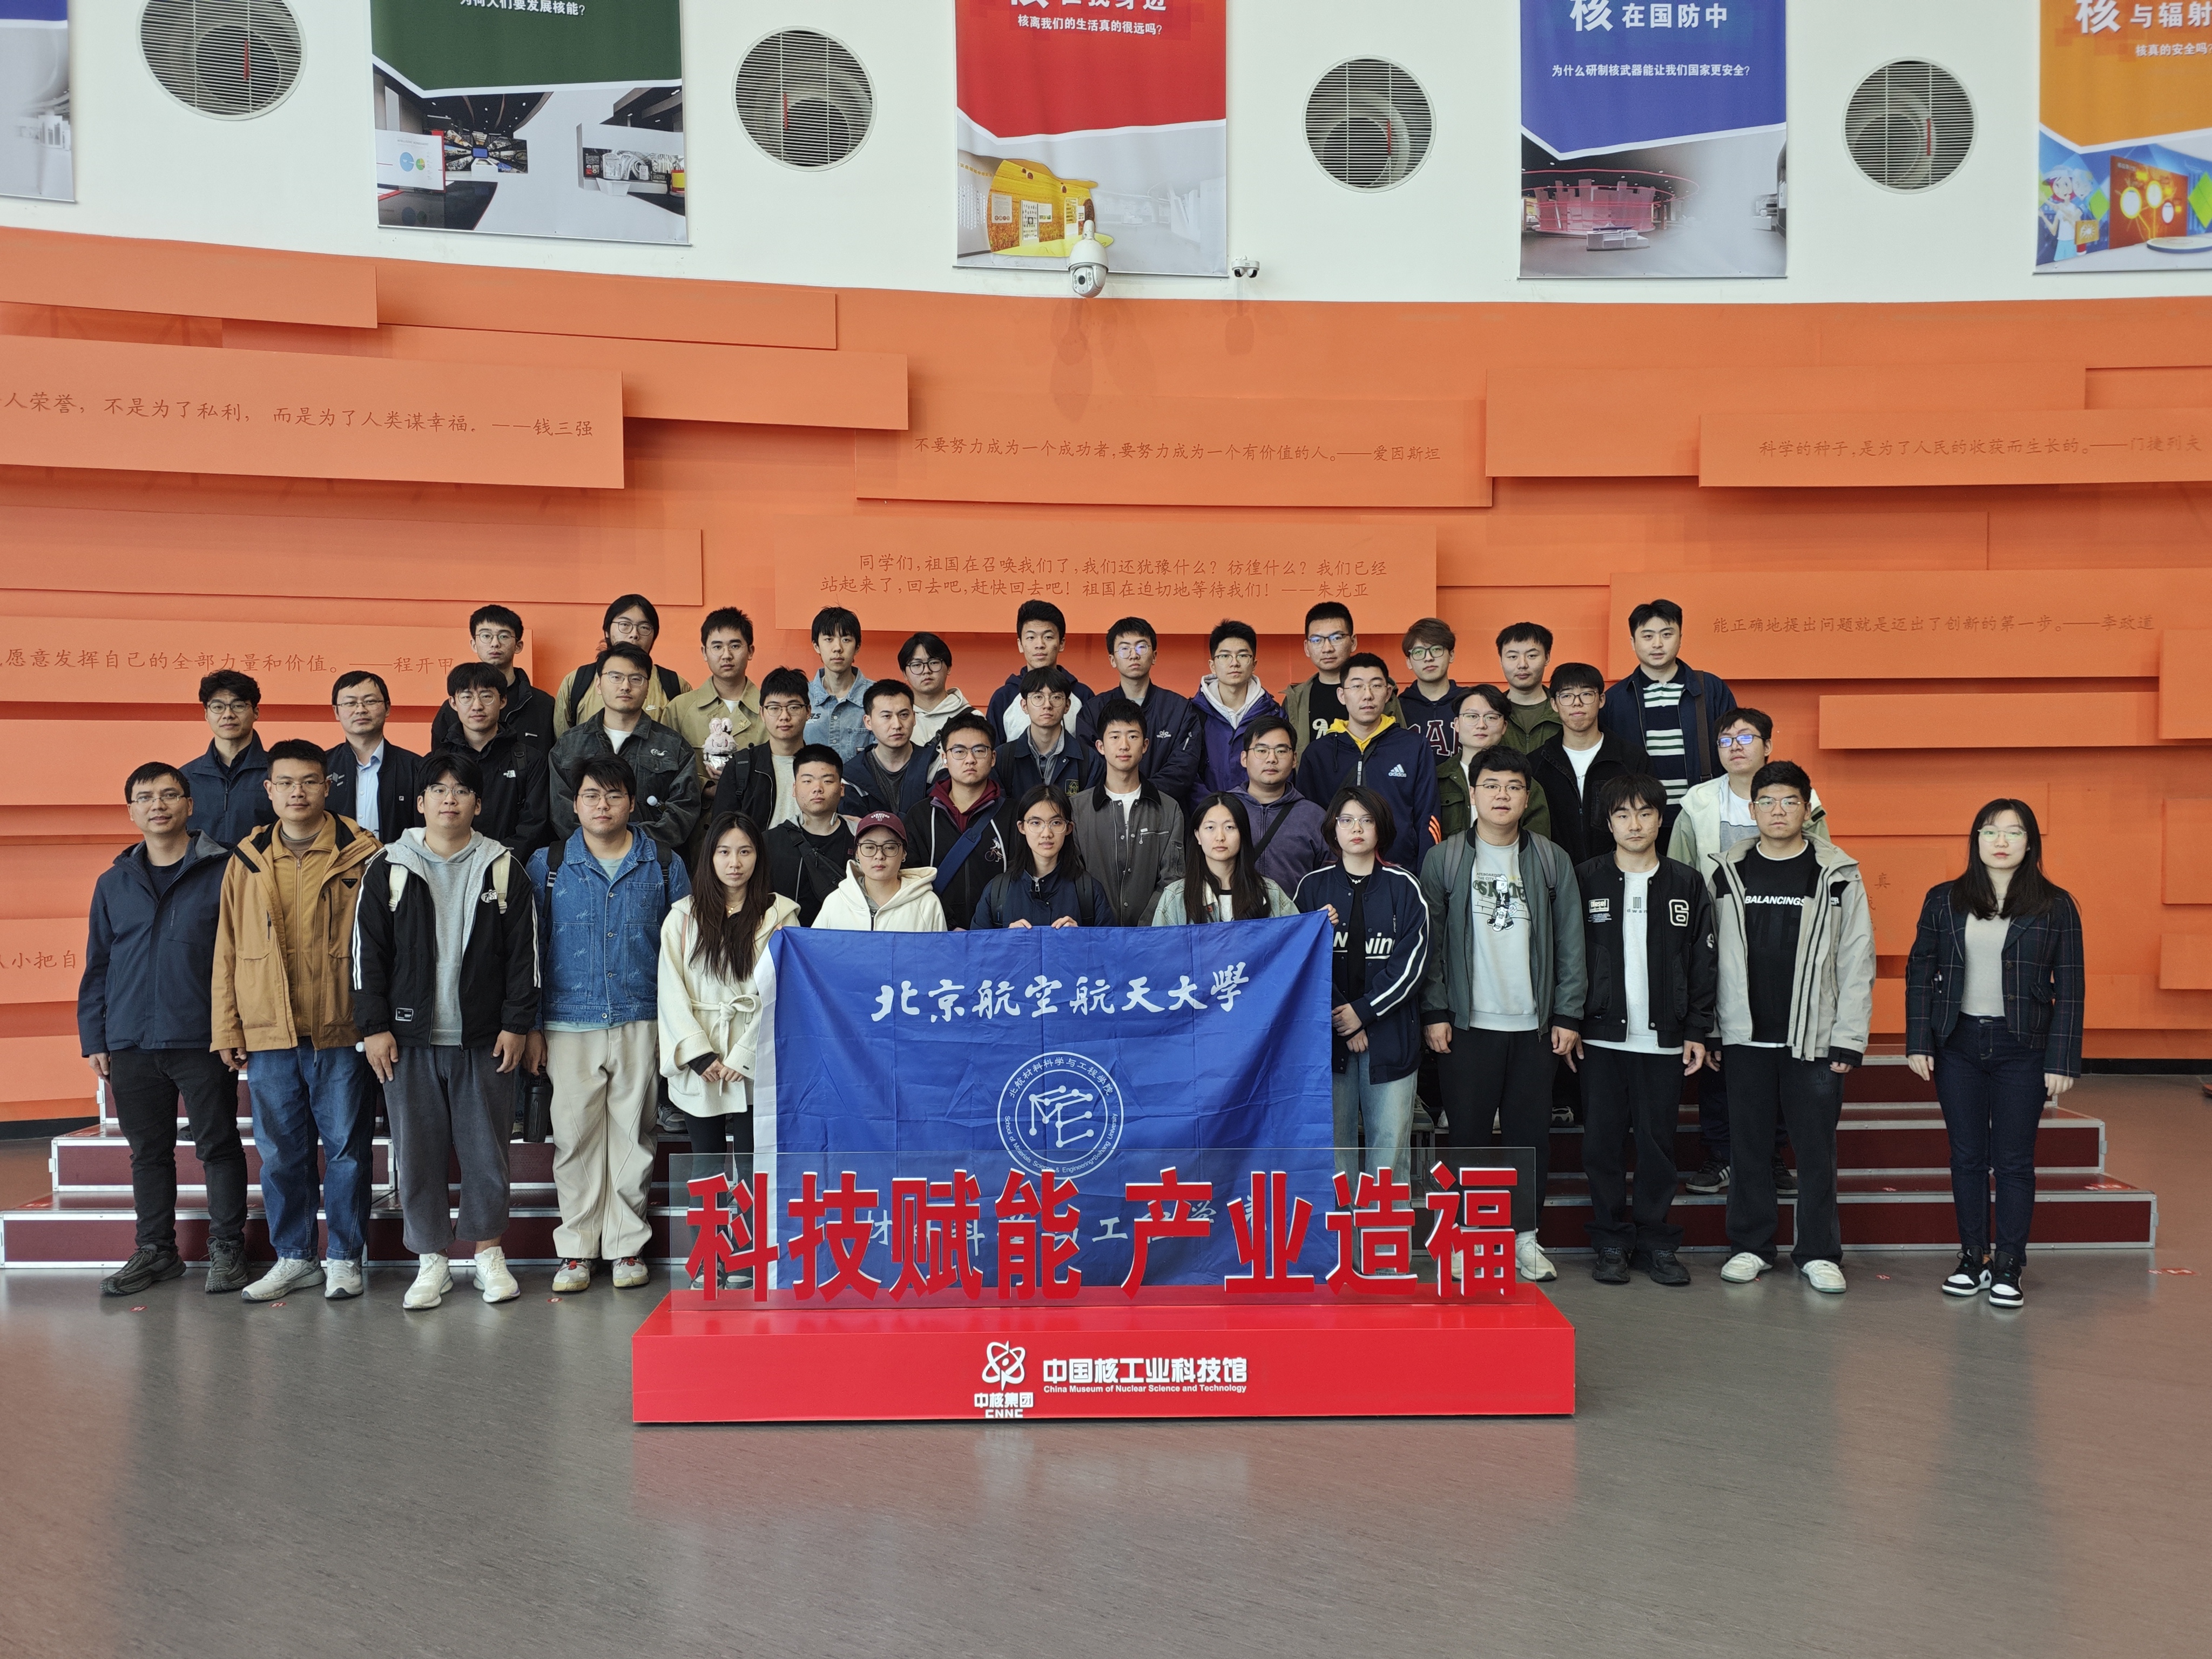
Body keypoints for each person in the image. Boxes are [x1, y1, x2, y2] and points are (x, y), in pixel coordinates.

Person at [354, 751, 539, 1311]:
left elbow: (525, 957)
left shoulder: (503, 867)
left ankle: (488, 1254)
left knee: (487, 1154)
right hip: (408, 1041)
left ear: (478, 804)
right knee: (417, 1155)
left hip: (483, 1039)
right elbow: (367, 956)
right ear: (421, 802)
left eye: (461, 790)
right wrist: (374, 1028)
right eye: (438, 789)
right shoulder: (388, 866)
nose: (449, 799)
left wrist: (516, 1024)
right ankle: (430, 1259)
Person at [210, 739, 381, 1303]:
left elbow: (384, 945)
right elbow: (227, 947)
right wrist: (227, 1027)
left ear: (327, 786)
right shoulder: (247, 859)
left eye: (309, 782)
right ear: (269, 790)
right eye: (285, 783)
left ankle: (345, 1257)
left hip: (341, 1029)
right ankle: (295, 1257)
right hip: (270, 1031)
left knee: (347, 1151)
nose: (297, 793)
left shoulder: (364, 852)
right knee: (282, 1154)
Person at [78, 763, 249, 1297]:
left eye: (170, 795)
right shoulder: (113, 883)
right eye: (146, 797)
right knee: (147, 1153)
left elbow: (244, 957)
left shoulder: (225, 871)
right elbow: (99, 965)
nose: (159, 805)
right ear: (131, 810)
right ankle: (156, 1251)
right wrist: (95, 1036)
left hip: (202, 1037)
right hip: (130, 1040)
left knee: (218, 1145)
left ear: (189, 805)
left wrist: (235, 1026)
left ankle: (228, 1248)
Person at [1906, 800, 2085, 1311]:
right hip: (1957, 1043)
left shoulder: (2056, 905)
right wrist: (1918, 1041)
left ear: (2031, 843)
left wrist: (2062, 1060)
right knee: (1966, 1156)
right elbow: (1920, 971)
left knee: (2013, 1161)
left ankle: (2008, 1263)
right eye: (1990, 831)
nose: (2001, 841)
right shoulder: (1944, 899)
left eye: (2013, 832)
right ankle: (1972, 1257)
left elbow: (2071, 987)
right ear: (1976, 840)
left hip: (2023, 1048)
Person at [1419, 744, 1585, 1284]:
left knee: (1528, 1138)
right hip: (1467, 1025)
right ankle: (1464, 1235)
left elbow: (1571, 942)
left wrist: (1568, 1014)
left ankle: (1523, 1238)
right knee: (1466, 1137)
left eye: (1513, 787)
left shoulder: (1550, 859)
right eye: (1491, 785)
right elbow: (1431, 944)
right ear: (1472, 794)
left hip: (1534, 1026)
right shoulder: (1445, 859)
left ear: (1527, 796)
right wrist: (1435, 1009)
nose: (1502, 796)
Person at [527, 754, 689, 1295]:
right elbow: (530, 952)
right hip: (567, 1020)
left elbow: (682, 952)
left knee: (633, 1136)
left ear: (632, 803)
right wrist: (532, 1026)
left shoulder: (663, 863)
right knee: (574, 1138)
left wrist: (675, 1026)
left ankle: (625, 1246)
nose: (603, 805)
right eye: (592, 795)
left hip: (641, 1017)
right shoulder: (548, 864)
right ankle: (576, 1247)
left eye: (614, 795)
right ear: (574, 804)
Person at [1711, 761, 1874, 1296]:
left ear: (1807, 809)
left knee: (1815, 1150)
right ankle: (1750, 1247)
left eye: (1788, 802)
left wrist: (1849, 1036)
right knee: (1748, 1147)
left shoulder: (1837, 873)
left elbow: (1857, 959)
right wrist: (1711, 1028)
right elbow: (1709, 956)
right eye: (1767, 801)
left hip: (1815, 1037)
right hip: (1744, 1036)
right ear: (1751, 809)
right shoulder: (1726, 871)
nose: (1777, 811)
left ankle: (1819, 1253)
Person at [1668, 707, 1828, 1196]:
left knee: (1777, 1054)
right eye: (1725, 740)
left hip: (1783, 949)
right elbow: (1678, 874)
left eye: (1746, 737)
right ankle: (1720, 1154)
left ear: (1768, 745)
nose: (1735, 747)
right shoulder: (1698, 803)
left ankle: (1773, 1157)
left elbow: (1822, 872)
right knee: (1719, 1054)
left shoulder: (1802, 799)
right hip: (1716, 948)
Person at [1566, 774, 1715, 1289]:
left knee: (1658, 1146)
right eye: (1623, 814)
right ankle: (1610, 1240)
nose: (1635, 824)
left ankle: (1655, 1242)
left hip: (1665, 1039)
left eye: (1645, 813)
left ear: (1660, 819)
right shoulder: (1585, 879)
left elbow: (1703, 962)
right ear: (1608, 823)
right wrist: (1570, 1021)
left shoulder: (1686, 883)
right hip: (1599, 1039)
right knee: (1601, 1145)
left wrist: (1697, 1028)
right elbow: (1568, 957)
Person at [659, 814, 800, 1259]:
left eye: (744, 851)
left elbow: (785, 989)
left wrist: (745, 1054)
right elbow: (670, 989)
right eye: (724, 852)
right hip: (701, 1058)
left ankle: (749, 1257)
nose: (734, 863)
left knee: (754, 1166)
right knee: (705, 1164)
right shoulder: (682, 917)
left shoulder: (782, 914)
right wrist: (699, 1054)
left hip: (756, 1057)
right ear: (710, 857)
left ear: (759, 856)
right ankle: (709, 1258)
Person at [1293, 787, 1430, 1184]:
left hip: (1391, 1039)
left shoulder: (1405, 887)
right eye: (1347, 820)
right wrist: (1344, 1018)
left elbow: (1412, 965)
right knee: (1333, 1157)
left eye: (1367, 820)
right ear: (1333, 828)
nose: (1357, 829)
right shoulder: (1312, 888)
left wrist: (1364, 1013)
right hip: (1328, 1043)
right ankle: (1342, 1231)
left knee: (1389, 1157)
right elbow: (1299, 962)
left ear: (1380, 829)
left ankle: (1385, 1230)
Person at [548, 642, 702, 854]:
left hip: (654, 861)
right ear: (599, 684)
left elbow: (684, 812)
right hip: (585, 862)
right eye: (616, 677)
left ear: (647, 688)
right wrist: (602, 845)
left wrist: (629, 842)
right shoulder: (568, 745)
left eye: (636, 679)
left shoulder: (673, 746)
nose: (625, 686)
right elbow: (562, 812)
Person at [1293, 654, 1439, 874]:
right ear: (1342, 695)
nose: (1367, 695)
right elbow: (1306, 821)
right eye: (1357, 686)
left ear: (1388, 693)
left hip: (1399, 873)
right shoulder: (1318, 754)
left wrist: (1425, 878)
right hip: (1333, 875)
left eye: (1376, 686)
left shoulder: (1413, 747)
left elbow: (1428, 817)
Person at [1600, 598, 1738, 827]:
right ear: (1633, 642)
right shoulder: (1615, 699)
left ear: (1680, 638)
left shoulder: (1710, 689)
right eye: (1648, 636)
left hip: (1703, 815)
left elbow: (1734, 747)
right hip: (1639, 821)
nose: (1657, 644)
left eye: (1667, 635)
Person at [1070, 697, 1184, 926]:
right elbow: (1073, 876)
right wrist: (1103, 927)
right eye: (1115, 737)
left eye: (1133, 736)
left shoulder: (1169, 809)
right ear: (1100, 747)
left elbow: (1173, 880)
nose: (1124, 745)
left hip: (1152, 936)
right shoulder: (1077, 809)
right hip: (1094, 934)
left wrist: (1144, 930)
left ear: (1145, 745)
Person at [1526, 663, 1653, 867]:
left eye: (1586, 694)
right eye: (1567, 696)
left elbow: (1647, 820)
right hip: (1555, 873)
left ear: (1601, 700)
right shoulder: (1536, 764)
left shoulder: (1631, 759)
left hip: (1619, 872)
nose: (1577, 703)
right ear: (1554, 704)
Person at [905, 712, 1020, 930]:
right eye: (959, 751)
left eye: (979, 750)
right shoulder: (920, 816)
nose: (970, 759)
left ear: (993, 758)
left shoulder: (1014, 815)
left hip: (999, 934)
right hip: (938, 933)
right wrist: (947, 926)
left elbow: (1023, 877)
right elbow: (910, 880)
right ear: (944, 758)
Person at [1091, 616, 1201, 803]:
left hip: (1164, 807)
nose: (1134, 655)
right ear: (1112, 659)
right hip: (1108, 807)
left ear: (1154, 656)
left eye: (1141, 647)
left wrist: (1144, 795)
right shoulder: (1093, 710)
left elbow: (1183, 767)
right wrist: (1123, 793)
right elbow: (1092, 765)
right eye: (1125, 649)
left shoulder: (1180, 709)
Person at [444, 662, 550, 855]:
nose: (477, 706)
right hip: (451, 866)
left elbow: (534, 825)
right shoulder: (439, 763)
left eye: (486, 696)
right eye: (467, 697)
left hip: (512, 865)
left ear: (502, 700)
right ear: (453, 703)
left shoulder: (530, 761)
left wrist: (495, 859)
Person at [973, 786, 1113, 928]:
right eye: (1036, 823)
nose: (1046, 833)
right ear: (1022, 827)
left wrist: (1080, 937)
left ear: (1069, 828)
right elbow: (977, 941)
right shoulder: (997, 892)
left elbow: (1109, 941)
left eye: (1056, 823)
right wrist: (1006, 939)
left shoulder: (1089, 891)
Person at [553, 595, 690, 738]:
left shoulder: (676, 686)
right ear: (607, 631)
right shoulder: (576, 682)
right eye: (625, 625)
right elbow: (563, 743)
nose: (634, 634)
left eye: (644, 627)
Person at [429, 604, 557, 752]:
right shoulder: (455, 708)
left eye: (504, 636)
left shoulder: (544, 705)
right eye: (486, 636)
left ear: (518, 646)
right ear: (474, 644)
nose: (495, 644)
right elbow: (439, 760)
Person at [1154, 791, 1297, 923]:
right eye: (1210, 828)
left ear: (1242, 834)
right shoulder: (1175, 897)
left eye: (1230, 827)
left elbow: (1296, 939)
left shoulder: (1271, 893)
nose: (1220, 837)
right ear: (1198, 836)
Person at [670, 608, 766, 802]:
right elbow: (667, 768)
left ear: (750, 651)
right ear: (705, 652)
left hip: (756, 814)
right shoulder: (680, 709)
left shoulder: (770, 709)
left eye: (735, 646)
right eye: (717, 647)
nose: (726, 655)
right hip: (700, 818)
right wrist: (706, 787)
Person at [1438, 686, 1553, 845]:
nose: (1481, 725)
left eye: (1491, 717)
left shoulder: (1523, 782)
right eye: (1472, 716)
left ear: (1504, 726)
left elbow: (1537, 847)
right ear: (1457, 724)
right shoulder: (1437, 779)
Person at [1286, 602, 1403, 756]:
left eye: (1336, 638)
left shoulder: (1380, 693)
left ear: (1353, 642)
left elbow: (1402, 750)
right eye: (1317, 640)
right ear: (1307, 647)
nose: (1327, 648)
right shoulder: (1295, 700)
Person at [1232, 716, 1331, 895]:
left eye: (1281, 751)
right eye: (1261, 751)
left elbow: (1328, 881)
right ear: (1244, 758)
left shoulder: (1314, 817)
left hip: (1296, 912)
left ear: (1294, 760)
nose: (1272, 759)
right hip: (1232, 913)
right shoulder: (1223, 809)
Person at [324, 671, 422, 845]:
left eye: (370, 701)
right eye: (350, 703)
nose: (360, 709)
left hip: (398, 862)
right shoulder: (322, 767)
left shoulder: (416, 768)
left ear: (387, 708)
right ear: (336, 712)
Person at [1192, 619, 1285, 801]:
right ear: (1212, 665)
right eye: (1225, 656)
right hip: (1208, 814)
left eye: (1243, 655)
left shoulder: (1274, 714)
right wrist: (1213, 810)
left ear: (1254, 664)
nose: (1234, 663)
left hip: (1261, 813)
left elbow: (1283, 771)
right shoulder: (1193, 714)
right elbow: (1187, 773)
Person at [765, 744, 855, 926]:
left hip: (845, 937)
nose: (817, 788)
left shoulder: (860, 838)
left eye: (827, 781)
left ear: (842, 789)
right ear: (794, 789)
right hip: (787, 937)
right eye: (807, 781)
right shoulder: (769, 842)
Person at [984, 600, 1098, 744]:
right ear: (1020, 644)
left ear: (1061, 643)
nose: (1040, 645)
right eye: (1031, 638)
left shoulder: (1083, 695)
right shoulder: (1003, 698)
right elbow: (992, 752)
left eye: (1048, 637)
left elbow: (1091, 750)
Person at [712, 666, 812, 831]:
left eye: (794, 707)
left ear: (808, 711)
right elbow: (722, 832)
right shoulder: (740, 767)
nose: (784, 716)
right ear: (762, 713)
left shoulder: (822, 767)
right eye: (774, 708)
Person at [181, 669, 272, 847]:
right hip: (201, 866)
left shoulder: (279, 774)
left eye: (238, 706)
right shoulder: (185, 778)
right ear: (206, 714)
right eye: (218, 707)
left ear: (256, 712)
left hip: (263, 866)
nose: (228, 714)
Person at [814, 812, 948, 931]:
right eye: (869, 847)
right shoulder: (836, 902)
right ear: (857, 854)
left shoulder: (927, 904)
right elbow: (816, 949)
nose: (879, 856)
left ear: (904, 854)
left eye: (890, 847)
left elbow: (937, 951)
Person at [994, 666, 1103, 802]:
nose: (1047, 705)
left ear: (1067, 705)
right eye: (1038, 697)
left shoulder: (1090, 761)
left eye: (1056, 697)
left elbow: (1090, 811)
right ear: (1024, 706)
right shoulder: (1002, 759)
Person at [844, 680, 936, 820]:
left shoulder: (935, 766)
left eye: (904, 715)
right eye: (887, 716)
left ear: (914, 718)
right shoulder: (851, 776)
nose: (897, 725)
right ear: (868, 722)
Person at [803, 605, 873, 761]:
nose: (838, 648)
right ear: (816, 646)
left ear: (857, 647)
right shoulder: (802, 696)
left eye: (846, 640)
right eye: (829, 639)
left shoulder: (876, 696)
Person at [1398, 617, 1461, 760]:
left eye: (1436, 649)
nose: (1428, 658)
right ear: (1409, 662)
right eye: (1419, 652)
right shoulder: (1399, 707)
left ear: (1451, 655)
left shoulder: (1469, 702)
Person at [899, 632, 974, 748]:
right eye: (917, 665)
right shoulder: (895, 721)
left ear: (949, 667)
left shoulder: (972, 717)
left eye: (934, 663)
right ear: (905, 673)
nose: (926, 671)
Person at [1496, 623, 1562, 754]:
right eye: (1513, 657)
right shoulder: (1490, 711)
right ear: (1501, 660)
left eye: (1532, 656)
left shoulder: (1565, 709)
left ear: (1547, 657)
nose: (1522, 665)